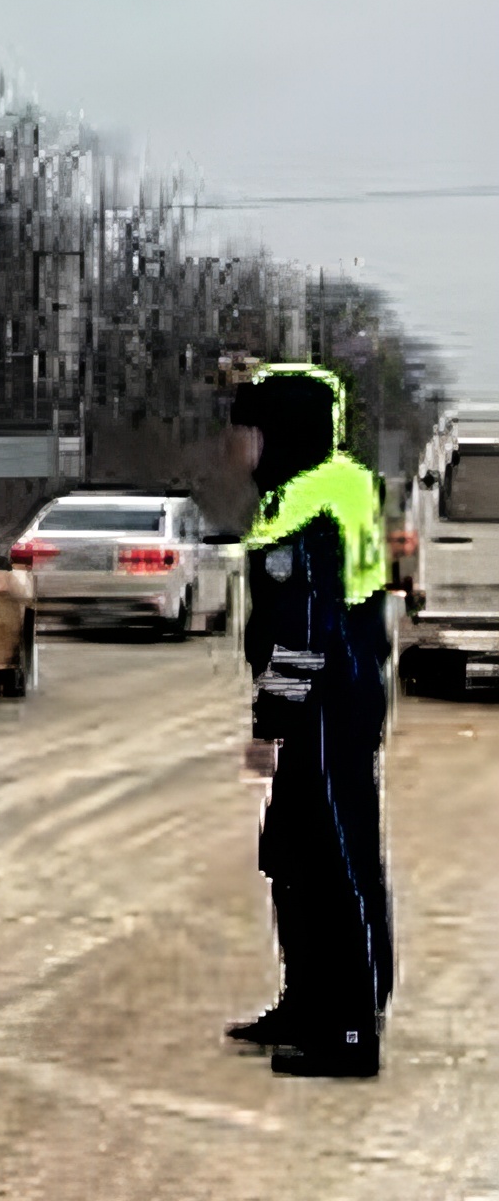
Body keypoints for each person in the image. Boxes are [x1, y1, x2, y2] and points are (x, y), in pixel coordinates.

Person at [226, 362, 393, 1077]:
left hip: (327, 708)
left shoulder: (309, 509)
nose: (238, 448)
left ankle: (351, 1027)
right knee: (291, 857)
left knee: (335, 863)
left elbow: (304, 634)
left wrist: (269, 724)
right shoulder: (333, 481)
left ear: (282, 433)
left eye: (249, 431)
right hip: (337, 701)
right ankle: (309, 1000)